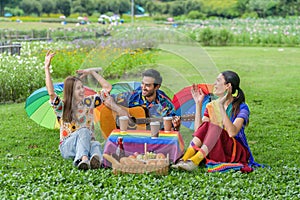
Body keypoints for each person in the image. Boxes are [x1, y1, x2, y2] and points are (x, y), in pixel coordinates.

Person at [173, 70, 261, 172]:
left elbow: (232, 132)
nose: (214, 84)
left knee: (214, 127)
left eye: (218, 81)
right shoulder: (211, 105)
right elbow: (199, 131)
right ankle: (185, 159)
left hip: (235, 150)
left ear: (227, 86)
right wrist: (198, 104)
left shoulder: (242, 107)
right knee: (208, 125)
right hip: (215, 148)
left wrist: (221, 107)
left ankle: (194, 161)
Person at [44, 50, 112, 170]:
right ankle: (83, 159)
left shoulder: (88, 102)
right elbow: (51, 93)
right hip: (68, 146)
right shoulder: (63, 107)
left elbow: (107, 88)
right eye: (78, 89)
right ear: (70, 91)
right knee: (84, 131)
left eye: (82, 87)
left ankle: (98, 161)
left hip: (87, 143)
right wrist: (46, 68)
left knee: (95, 143)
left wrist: (92, 73)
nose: (82, 91)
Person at [103, 69, 181, 131]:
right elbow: (106, 98)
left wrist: (176, 127)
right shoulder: (134, 96)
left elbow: (171, 132)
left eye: (147, 85)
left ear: (157, 87)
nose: (143, 87)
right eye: (142, 83)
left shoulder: (166, 105)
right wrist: (120, 111)